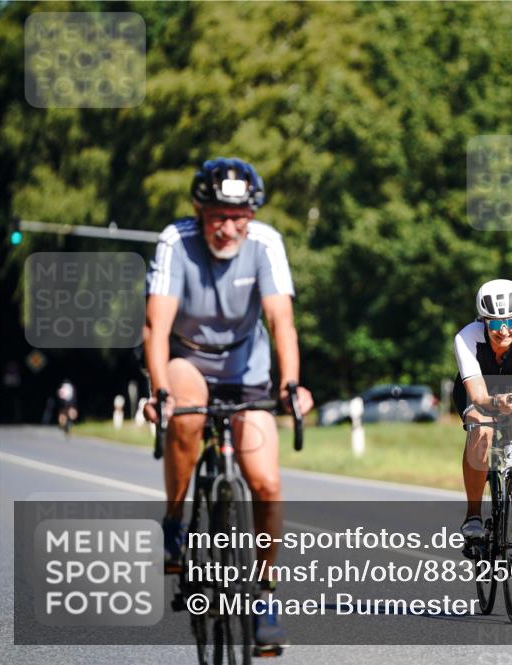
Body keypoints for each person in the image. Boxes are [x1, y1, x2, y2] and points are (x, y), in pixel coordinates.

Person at [143, 157, 314, 652]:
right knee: (188, 412)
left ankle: (264, 596)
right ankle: (175, 519)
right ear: (200, 211)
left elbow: (282, 321)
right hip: (189, 360)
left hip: (246, 370)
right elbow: (156, 326)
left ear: (252, 214)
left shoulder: (266, 243)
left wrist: (291, 383)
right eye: (218, 214)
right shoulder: (176, 241)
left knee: (265, 479)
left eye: (239, 215)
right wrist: (161, 391)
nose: (228, 227)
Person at [453, 279, 512, 547]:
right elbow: (479, 395)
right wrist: (497, 402)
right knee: (481, 429)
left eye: (511, 321)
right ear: (483, 321)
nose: (504, 330)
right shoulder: (467, 337)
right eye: (495, 323)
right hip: (479, 393)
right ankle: (473, 515)